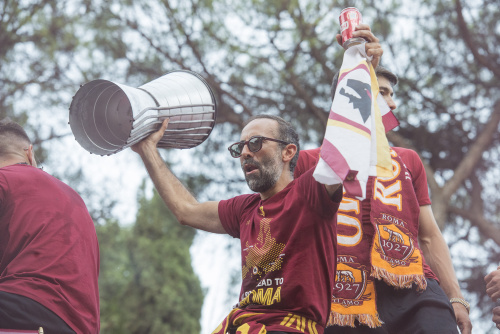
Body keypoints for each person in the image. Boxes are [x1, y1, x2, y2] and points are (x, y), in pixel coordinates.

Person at [294, 26, 472, 334]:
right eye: (382, 93)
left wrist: (455, 297)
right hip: (343, 295)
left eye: (392, 95)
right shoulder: (311, 162)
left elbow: (428, 236)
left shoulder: (408, 160)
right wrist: (363, 67)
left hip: (417, 287)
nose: (392, 105)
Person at [132, 114, 343, 334]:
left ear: (288, 152)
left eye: (255, 143)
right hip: (241, 326)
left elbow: (343, 152)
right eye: (239, 147)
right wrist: (147, 149)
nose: (244, 153)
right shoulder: (244, 210)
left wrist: (362, 89)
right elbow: (186, 210)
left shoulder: (310, 192)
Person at [0, 118, 100, 333]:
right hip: (79, 325)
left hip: (22, 307)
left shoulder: (4, 179)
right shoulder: (75, 198)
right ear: (29, 153)